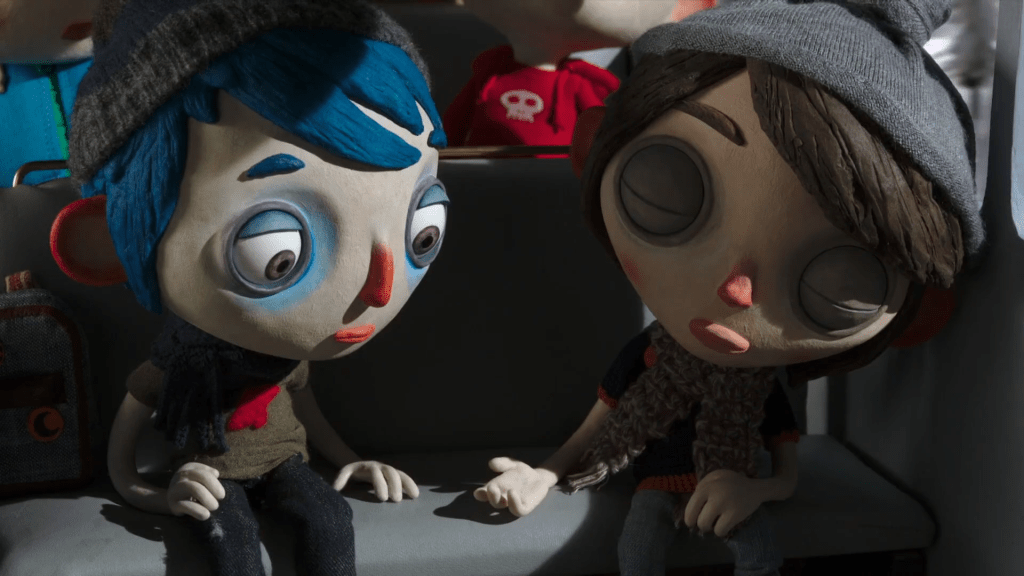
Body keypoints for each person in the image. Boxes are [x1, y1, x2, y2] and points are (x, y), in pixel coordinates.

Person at [477, 1, 984, 574]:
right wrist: (545, 473)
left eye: (836, 287)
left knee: (759, 556)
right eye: (664, 195)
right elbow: (599, 423)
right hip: (655, 482)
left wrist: (752, 489)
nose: (738, 292)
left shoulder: (763, 388)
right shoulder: (650, 356)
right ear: (592, 148)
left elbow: (785, 471)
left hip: (732, 488)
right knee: (638, 553)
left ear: (920, 315)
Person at [47, 1, 449, 574]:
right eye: (276, 253)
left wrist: (350, 460)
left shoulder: (285, 361)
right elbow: (124, 462)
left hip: (286, 464)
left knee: (331, 519)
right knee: (230, 544)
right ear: (109, 237)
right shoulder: (176, 363)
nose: (379, 291)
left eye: (423, 232)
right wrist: (159, 494)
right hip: (210, 476)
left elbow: (308, 414)